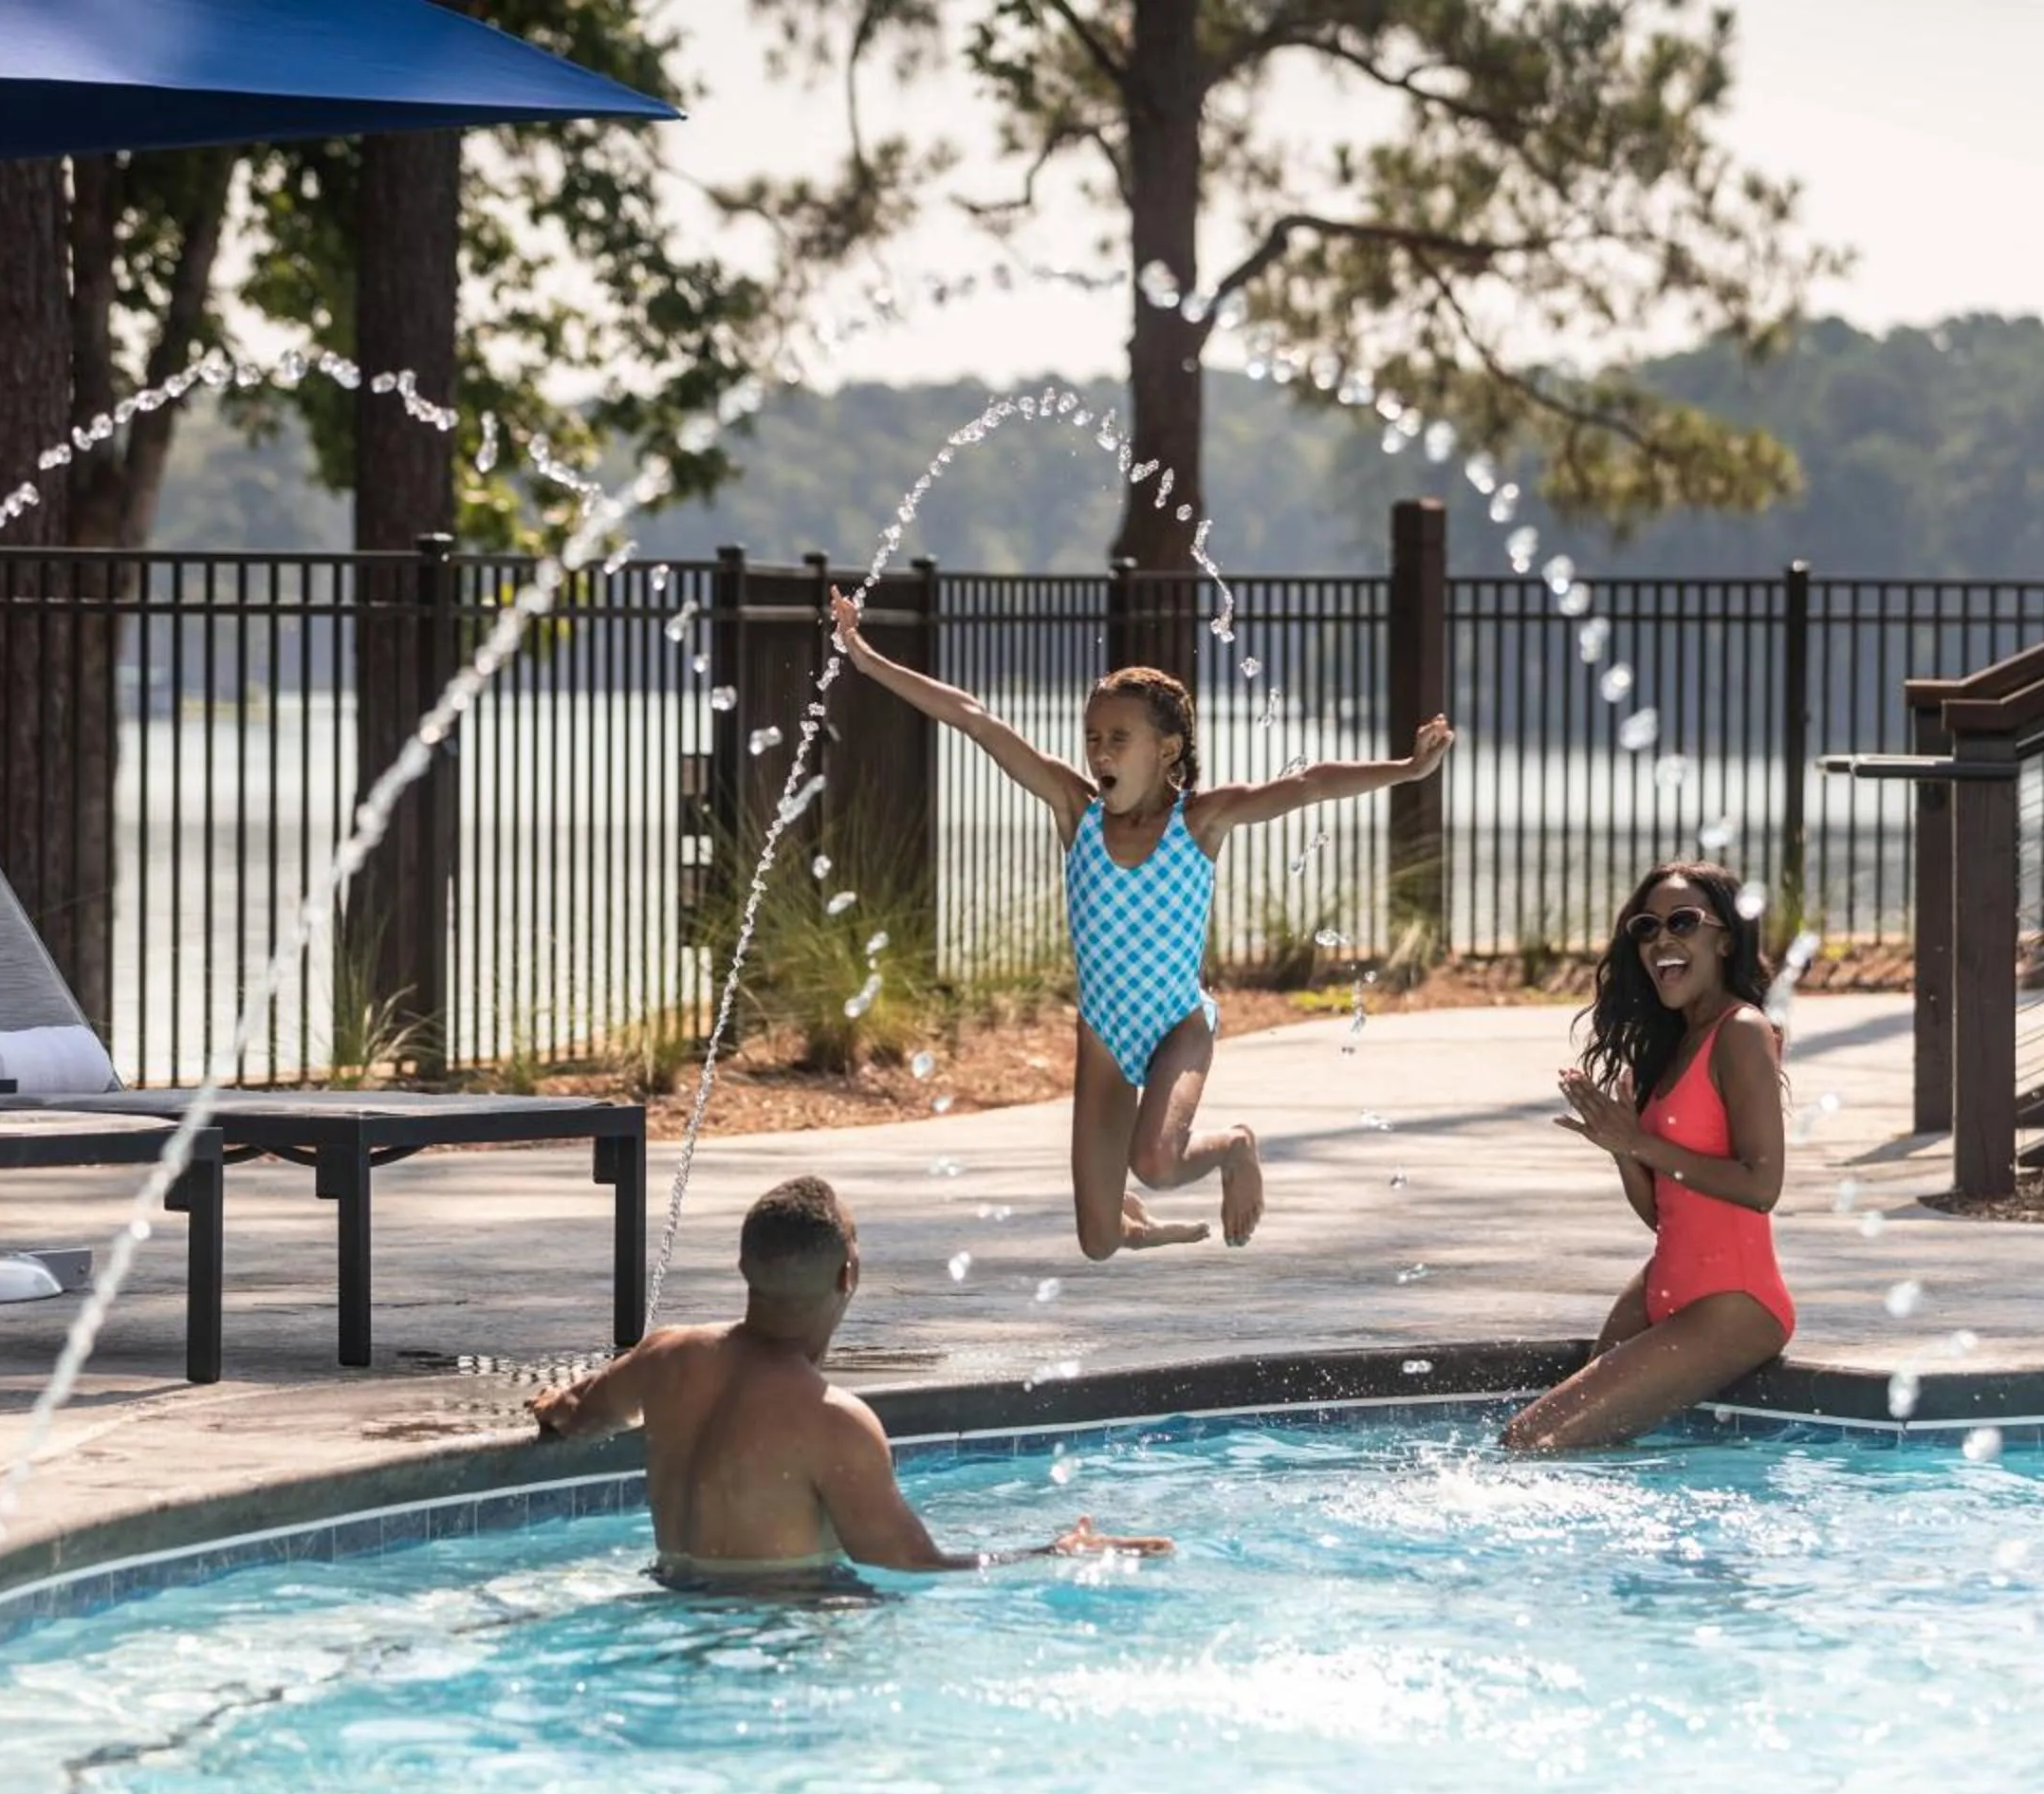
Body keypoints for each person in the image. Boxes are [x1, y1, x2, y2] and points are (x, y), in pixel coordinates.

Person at [828, 587, 1455, 1259]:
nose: (1101, 753)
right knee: (1097, 1242)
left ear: (1167, 749)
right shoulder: (1077, 812)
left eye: (1119, 739)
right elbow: (977, 720)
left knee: (1155, 1161)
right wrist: (866, 660)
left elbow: (1307, 785)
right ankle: (1127, 1219)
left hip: (1178, 1027)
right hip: (1103, 1033)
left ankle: (1236, 1147)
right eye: (1093, 738)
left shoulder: (1199, 822)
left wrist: (1405, 769)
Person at [528, 1175, 1171, 1590]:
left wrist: (558, 1403)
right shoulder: (834, 1420)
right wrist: (1053, 1553)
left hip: (666, 1598)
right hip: (779, 1634)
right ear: (847, 1277)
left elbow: (574, 1414)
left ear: (744, 1266)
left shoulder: (667, 1355)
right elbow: (912, 1565)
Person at [1503, 860, 1795, 1452]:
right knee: (1565, 1444)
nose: (1662, 938)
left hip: (1735, 1303)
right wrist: (1621, 1148)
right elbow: (1665, 1214)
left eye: (1682, 922)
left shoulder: (1742, 1030)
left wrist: (1640, 1142)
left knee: (1532, 1441)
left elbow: (1762, 1185)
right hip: (1664, 1283)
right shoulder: (1672, 1044)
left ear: (1725, 937)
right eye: (1646, 927)